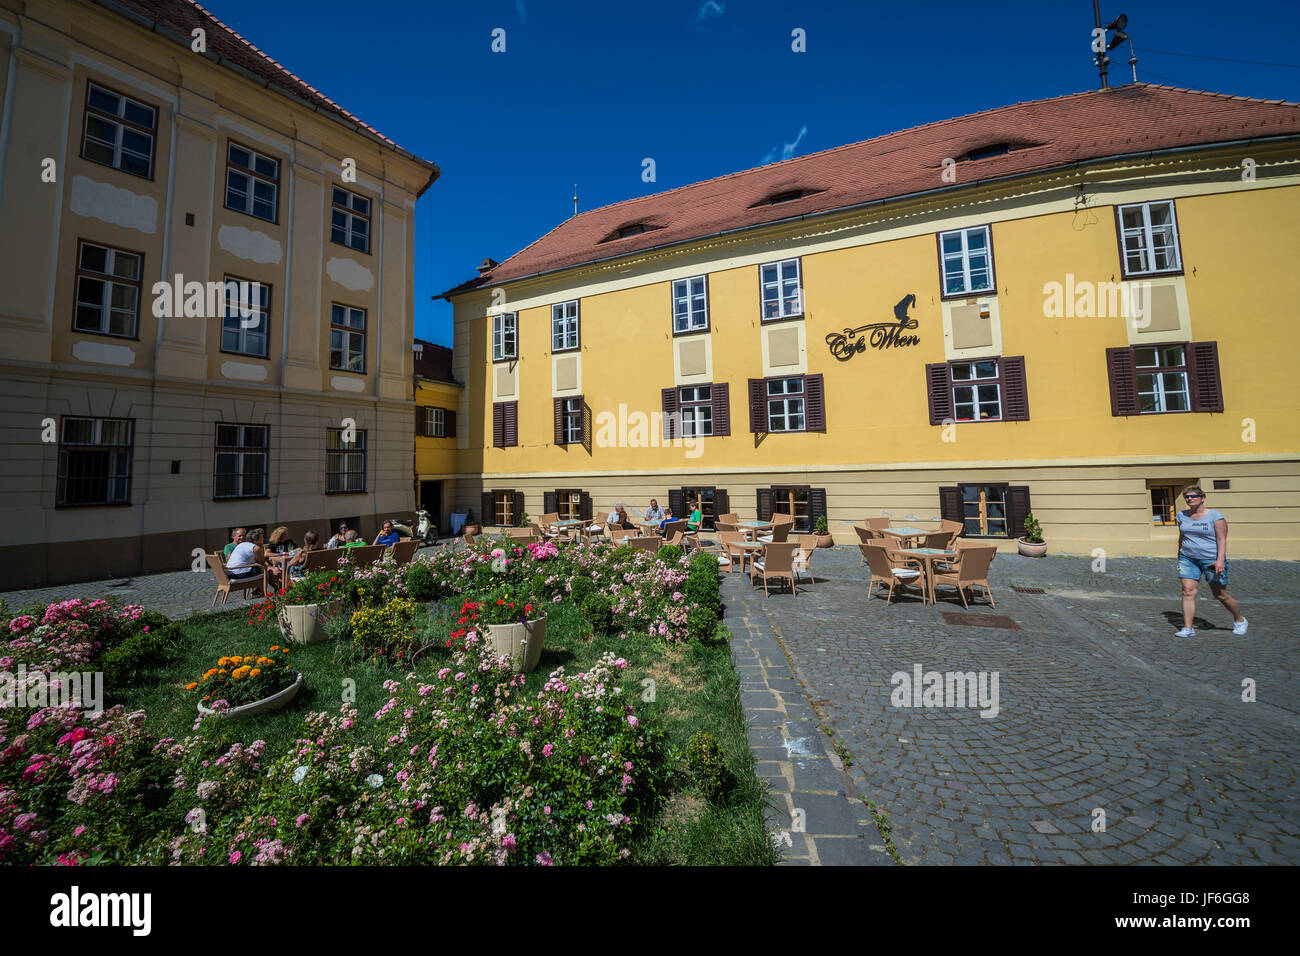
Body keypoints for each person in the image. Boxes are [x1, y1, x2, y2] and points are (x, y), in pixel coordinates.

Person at [1175, 485, 1247, 638]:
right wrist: (1179, 553)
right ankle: (1188, 628)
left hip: (1211, 559)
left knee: (1219, 594)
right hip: (1188, 558)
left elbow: (1222, 539)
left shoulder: (1215, 515)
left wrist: (1220, 560)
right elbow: (1182, 536)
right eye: (1187, 497)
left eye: (1193, 496)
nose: (1189, 499)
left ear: (1202, 498)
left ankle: (1239, 620)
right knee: (1187, 592)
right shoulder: (1182, 515)